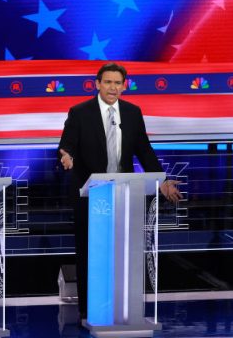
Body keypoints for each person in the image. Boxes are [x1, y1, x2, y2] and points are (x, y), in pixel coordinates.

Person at [58, 62, 181, 321]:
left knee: (123, 250)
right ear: (97, 84)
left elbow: (144, 151)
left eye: (118, 83)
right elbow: (66, 146)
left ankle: (123, 305)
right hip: (88, 195)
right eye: (108, 82)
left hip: (123, 194)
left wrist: (162, 180)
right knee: (89, 251)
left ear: (124, 86)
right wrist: (66, 157)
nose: (113, 87)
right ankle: (88, 310)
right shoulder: (80, 112)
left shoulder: (133, 113)